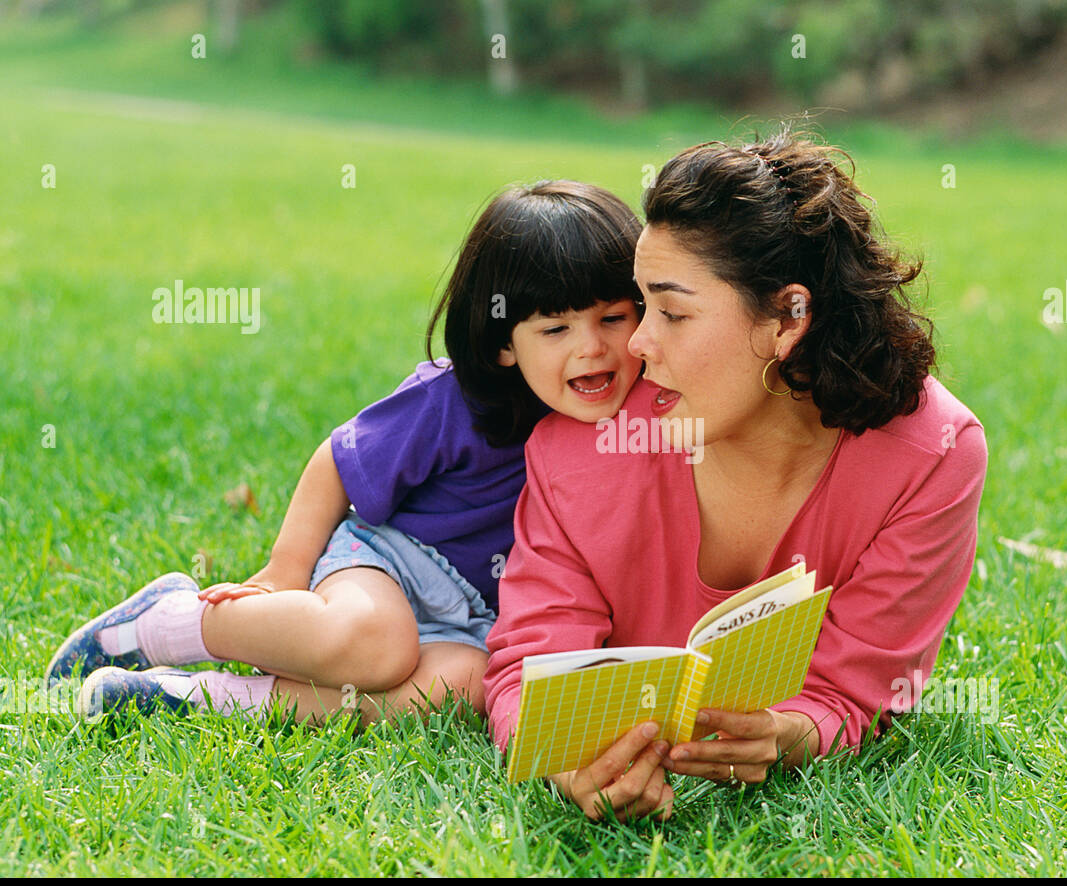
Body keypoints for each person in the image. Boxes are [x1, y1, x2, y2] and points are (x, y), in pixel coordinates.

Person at [483, 126, 989, 822]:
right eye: (641, 304)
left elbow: (856, 689)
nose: (635, 343)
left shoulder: (932, 455)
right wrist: (564, 760)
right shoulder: (588, 443)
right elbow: (525, 670)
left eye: (673, 312)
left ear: (788, 318)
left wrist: (791, 736)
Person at [47, 180, 646, 726]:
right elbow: (338, 459)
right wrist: (286, 569)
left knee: (463, 686)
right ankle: (171, 623)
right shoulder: (452, 400)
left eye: (613, 317)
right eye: (555, 329)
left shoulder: (638, 418)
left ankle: (198, 701)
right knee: (377, 644)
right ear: (502, 345)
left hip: (476, 620)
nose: (592, 348)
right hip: (390, 563)